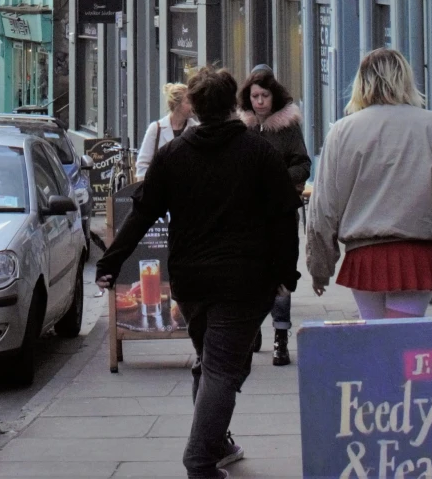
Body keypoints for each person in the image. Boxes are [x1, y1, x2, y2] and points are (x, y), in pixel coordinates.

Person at [98, 66, 297, 479]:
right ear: (231, 105)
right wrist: (286, 272)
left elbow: (142, 213)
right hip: (244, 281)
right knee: (223, 368)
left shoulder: (173, 155)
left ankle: (216, 442)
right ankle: (200, 459)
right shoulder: (259, 154)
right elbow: (283, 217)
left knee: (216, 362)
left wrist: (111, 261)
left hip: (190, 282)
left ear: (195, 108)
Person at [305, 47, 432, 320]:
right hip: (418, 252)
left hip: (365, 255)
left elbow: (324, 209)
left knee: (377, 342)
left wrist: (320, 268)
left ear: (361, 82)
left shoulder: (341, 132)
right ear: (405, 79)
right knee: (402, 344)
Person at [241, 67, 311, 363]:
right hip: (248, 215)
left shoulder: (288, 127)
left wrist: (276, 178)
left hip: (280, 212)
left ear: (274, 95)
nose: (259, 101)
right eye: (254, 96)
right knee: (251, 274)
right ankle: (253, 328)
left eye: (264, 95)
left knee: (281, 274)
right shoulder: (241, 127)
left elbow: (303, 165)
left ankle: (281, 337)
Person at [132, 82, 192, 180]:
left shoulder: (195, 128)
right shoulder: (156, 129)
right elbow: (142, 164)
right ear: (177, 104)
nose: (192, 106)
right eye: (188, 102)